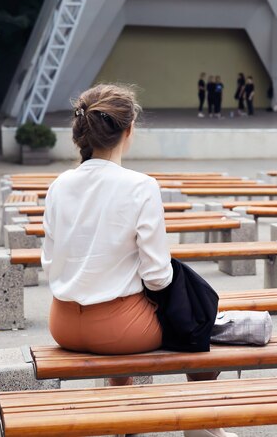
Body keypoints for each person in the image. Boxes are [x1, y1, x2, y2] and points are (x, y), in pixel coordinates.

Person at [42, 84, 237, 437]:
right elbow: (158, 277)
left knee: (136, 302)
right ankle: (201, 426)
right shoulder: (140, 185)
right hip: (119, 331)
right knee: (197, 317)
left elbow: (49, 262)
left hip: (63, 323)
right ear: (128, 131)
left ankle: (123, 412)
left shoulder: (59, 185)